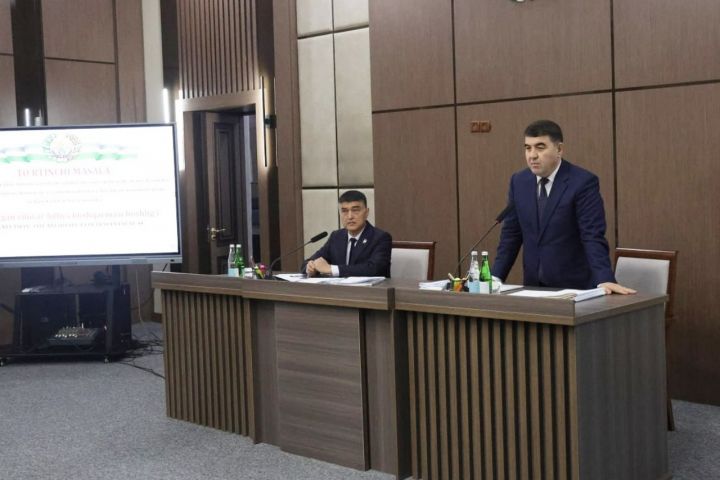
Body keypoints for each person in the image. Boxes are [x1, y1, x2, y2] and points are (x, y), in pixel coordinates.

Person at [492, 120, 635, 294]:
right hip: (534, 287)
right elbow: (511, 235)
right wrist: (495, 278)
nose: (532, 155)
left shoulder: (582, 182)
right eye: (528, 148)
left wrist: (604, 278)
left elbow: (592, 235)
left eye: (540, 147)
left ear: (559, 149)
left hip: (574, 287)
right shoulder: (519, 181)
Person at [304, 190, 392, 277]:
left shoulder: (380, 238)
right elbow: (308, 262)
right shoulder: (336, 237)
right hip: (338, 286)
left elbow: (374, 269)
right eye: (344, 211)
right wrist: (310, 267)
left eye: (355, 210)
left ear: (366, 212)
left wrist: (332, 269)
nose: (350, 217)